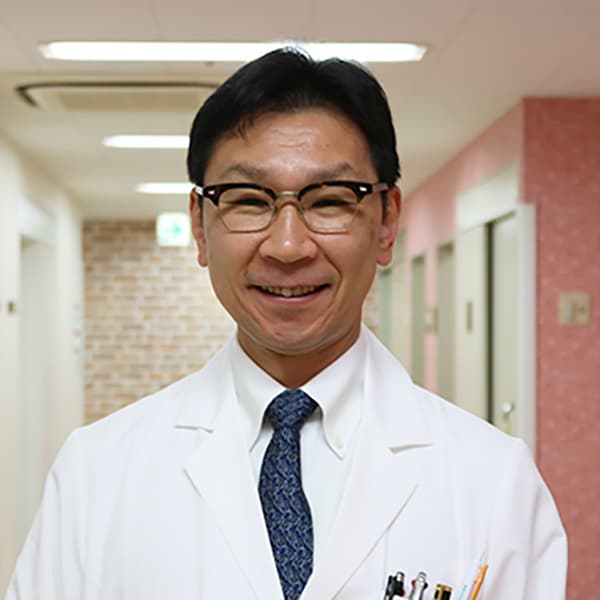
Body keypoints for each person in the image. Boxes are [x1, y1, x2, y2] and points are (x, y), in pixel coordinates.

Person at [6, 48, 566, 600]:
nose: (289, 246)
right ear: (200, 227)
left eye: (330, 201)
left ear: (386, 222)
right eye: (249, 200)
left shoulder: (494, 482)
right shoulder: (96, 472)